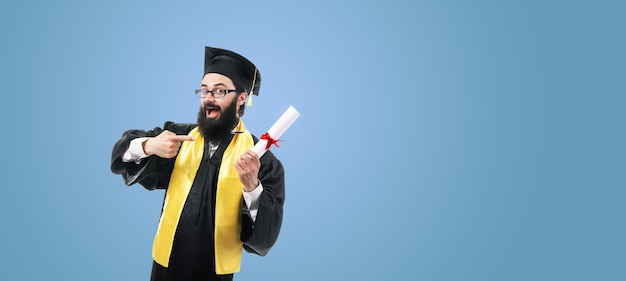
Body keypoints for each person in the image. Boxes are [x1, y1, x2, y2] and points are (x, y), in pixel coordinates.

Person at [110, 46, 285, 281]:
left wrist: (252, 187)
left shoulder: (262, 161)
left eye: (220, 91)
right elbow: (123, 152)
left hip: (214, 274)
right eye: (204, 91)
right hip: (166, 266)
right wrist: (149, 146)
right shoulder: (178, 137)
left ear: (242, 97)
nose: (209, 99)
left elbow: (266, 237)